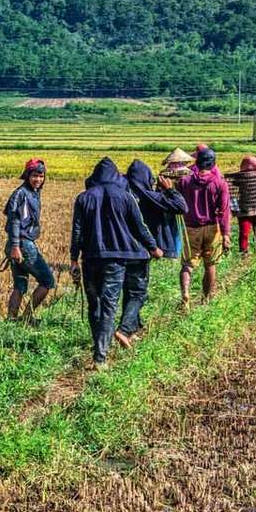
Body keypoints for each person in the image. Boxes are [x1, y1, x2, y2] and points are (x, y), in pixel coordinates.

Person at [70, 158, 162, 369]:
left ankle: (99, 344)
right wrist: (153, 247)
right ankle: (100, 357)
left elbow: (77, 232)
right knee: (109, 304)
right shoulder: (125, 197)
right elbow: (139, 227)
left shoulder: (83, 198)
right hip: (115, 259)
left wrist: (74, 259)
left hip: (90, 258)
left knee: (95, 303)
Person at [122, 160, 186, 345]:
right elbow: (181, 207)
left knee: (130, 289)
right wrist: (169, 189)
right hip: (142, 249)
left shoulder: (124, 194)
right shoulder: (148, 196)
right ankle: (125, 329)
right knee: (139, 292)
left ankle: (134, 325)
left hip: (122, 248)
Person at [177, 145, 232, 308]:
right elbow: (224, 211)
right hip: (212, 227)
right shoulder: (219, 183)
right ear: (213, 164)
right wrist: (226, 233)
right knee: (210, 264)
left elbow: (177, 202)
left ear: (197, 162)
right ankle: (206, 298)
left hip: (189, 228)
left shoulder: (184, 181)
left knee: (187, 265)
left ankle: (185, 295)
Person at [4, 159, 56, 322]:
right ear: (27, 176)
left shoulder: (32, 192)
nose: (38, 179)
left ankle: (11, 320)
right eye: (35, 176)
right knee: (47, 281)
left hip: (19, 244)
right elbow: (14, 221)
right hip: (22, 244)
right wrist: (15, 246)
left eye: (41, 176)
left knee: (20, 285)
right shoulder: (21, 194)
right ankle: (27, 318)